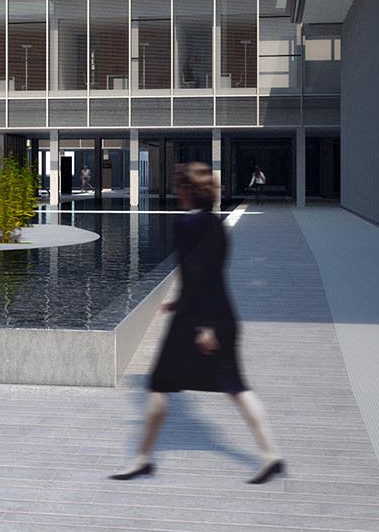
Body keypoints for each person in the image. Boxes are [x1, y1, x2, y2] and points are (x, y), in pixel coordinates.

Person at [112, 160, 284, 485]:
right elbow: (209, 272)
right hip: (220, 314)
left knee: (160, 386)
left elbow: (197, 272)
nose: (176, 191)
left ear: (189, 190)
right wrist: (183, 302)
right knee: (236, 387)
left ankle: (141, 459)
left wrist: (204, 325)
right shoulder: (216, 224)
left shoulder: (188, 225)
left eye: (180, 186)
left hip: (196, 322)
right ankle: (271, 454)